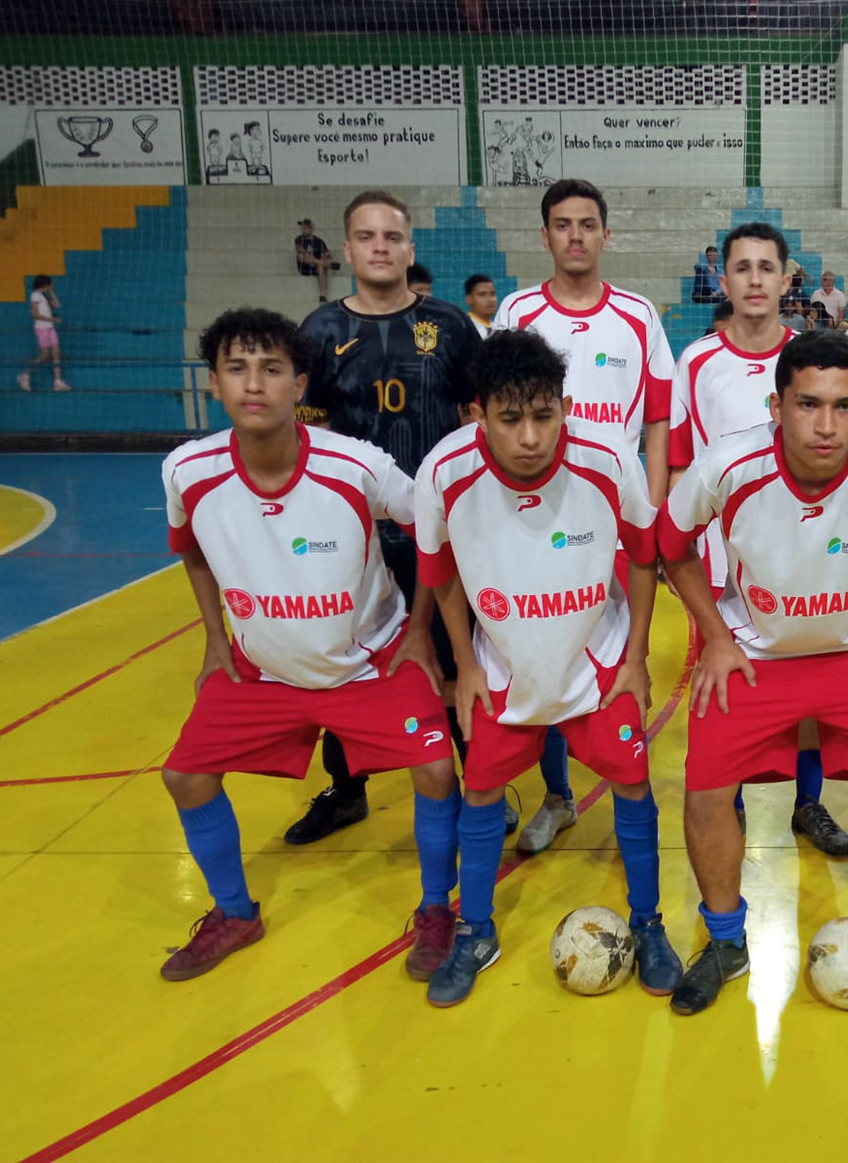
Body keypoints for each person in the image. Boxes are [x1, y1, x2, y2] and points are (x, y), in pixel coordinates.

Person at [659, 330, 848, 1014]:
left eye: (844, 405)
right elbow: (670, 546)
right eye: (807, 404)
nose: (826, 425)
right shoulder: (725, 466)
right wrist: (714, 635)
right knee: (706, 790)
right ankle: (725, 940)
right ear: (776, 405)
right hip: (755, 653)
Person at [156, 307, 459, 983]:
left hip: (372, 663)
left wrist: (419, 634)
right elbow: (193, 553)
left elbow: (438, 528)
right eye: (236, 369)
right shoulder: (187, 471)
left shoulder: (356, 465)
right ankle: (235, 912)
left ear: (301, 384)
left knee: (437, 770)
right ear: (214, 383)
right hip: (264, 671)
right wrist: (214, 638)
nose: (253, 384)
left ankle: (438, 909)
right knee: (185, 775)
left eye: (271, 369)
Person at [414, 328, 682, 1007]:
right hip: (503, 668)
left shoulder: (604, 459)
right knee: (479, 794)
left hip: (598, 666)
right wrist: (464, 664)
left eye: (543, 415)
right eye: (510, 418)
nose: (530, 435)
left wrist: (638, 654)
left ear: (564, 406)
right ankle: (475, 929)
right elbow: (439, 571)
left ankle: (648, 921)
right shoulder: (443, 472)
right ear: (479, 412)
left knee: (631, 784)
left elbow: (645, 553)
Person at [285, 190, 497, 845]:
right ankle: (347, 786)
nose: (380, 246)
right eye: (366, 236)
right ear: (346, 250)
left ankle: (478, 785)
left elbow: (477, 417)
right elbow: (305, 436)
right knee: (345, 663)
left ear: (409, 249)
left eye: (392, 236)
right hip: (347, 540)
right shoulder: (318, 332)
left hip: (438, 533)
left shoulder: (451, 326)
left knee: (455, 662)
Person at [492, 178, 676, 852]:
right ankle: (557, 796)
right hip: (531, 519)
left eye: (587, 224)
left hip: (614, 519)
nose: (575, 235)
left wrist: (648, 507)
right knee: (538, 658)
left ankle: (625, 779)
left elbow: (658, 419)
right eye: (562, 224)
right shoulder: (516, 308)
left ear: (606, 234)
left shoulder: (636, 316)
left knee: (620, 664)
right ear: (545, 236)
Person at [668, 222, 848, 856]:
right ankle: (733, 799)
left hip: (804, 555)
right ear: (723, 280)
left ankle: (809, 801)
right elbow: (680, 465)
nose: (753, 279)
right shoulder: (696, 362)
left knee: (809, 687)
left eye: (765, 267)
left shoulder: (815, 357)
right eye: (740, 268)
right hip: (722, 564)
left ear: (785, 277)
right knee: (726, 682)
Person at [18, 274, 69, 392]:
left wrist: (51, 293)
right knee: (44, 355)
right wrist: (52, 320)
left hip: (50, 328)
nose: (52, 285)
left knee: (56, 354)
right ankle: (24, 375)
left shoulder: (44, 295)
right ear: (44, 284)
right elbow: (34, 315)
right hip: (42, 329)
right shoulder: (35, 296)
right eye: (50, 284)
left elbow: (57, 305)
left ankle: (58, 382)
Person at [294, 219, 338, 303]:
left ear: (311, 229)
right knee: (303, 256)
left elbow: (328, 255)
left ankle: (322, 295)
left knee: (321, 266)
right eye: (302, 228)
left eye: (305, 228)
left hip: (316, 266)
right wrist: (321, 261)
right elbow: (302, 253)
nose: (303, 230)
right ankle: (326, 264)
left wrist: (324, 259)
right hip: (305, 266)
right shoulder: (299, 239)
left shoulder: (319, 241)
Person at [463, 274, 498, 338]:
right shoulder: (463, 327)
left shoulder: (498, 328)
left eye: (493, 294)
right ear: (469, 299)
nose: (490, 300)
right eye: (482, 295)